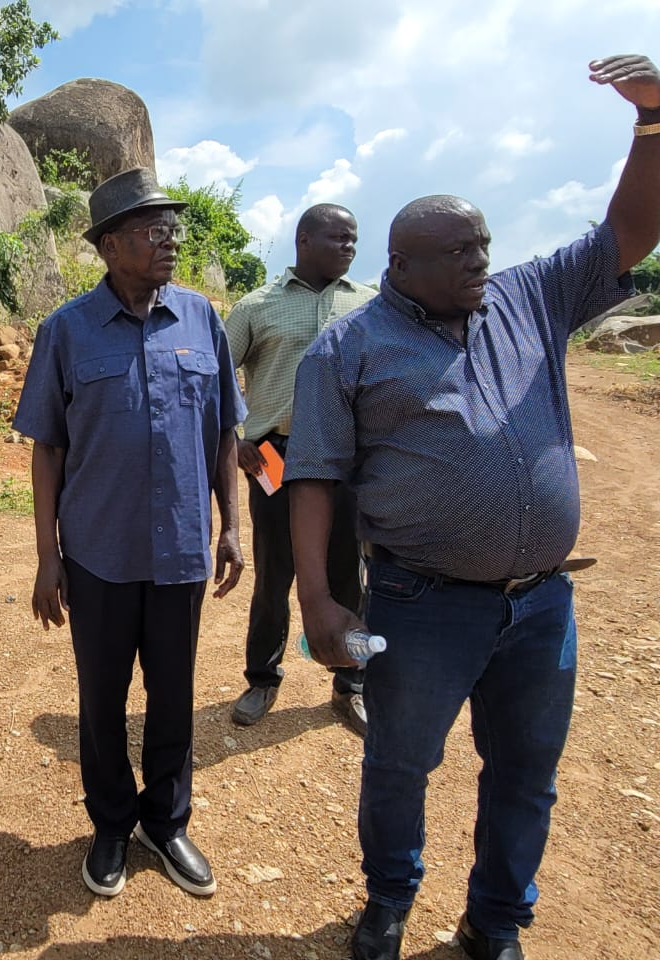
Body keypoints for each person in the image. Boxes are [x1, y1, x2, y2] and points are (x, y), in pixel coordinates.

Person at [284, 55, 660, 960]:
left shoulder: (530, 296)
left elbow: (631, 231)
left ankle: (494, 920)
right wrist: (318, 600)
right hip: (420, 604)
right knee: (400, 765)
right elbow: (313, 477)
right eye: (458, 251)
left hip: (541, 606)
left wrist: (653, 120)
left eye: (483, 243)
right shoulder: (347, 348)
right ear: (401, 265)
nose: (480, 260)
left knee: (526, 773)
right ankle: (388, 900)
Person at [14, 167, 247, 899]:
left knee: (173, 695)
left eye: (172, 228)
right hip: (98, 554)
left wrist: (233, 525)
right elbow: (48, 448)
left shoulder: (202, 319)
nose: (170, 240)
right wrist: (48, 557)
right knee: (102, 699)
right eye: (153, 230)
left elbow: (225, 431)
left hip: (180, 549)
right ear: (110, 246)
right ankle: (112, 824)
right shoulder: (66, 330)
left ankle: (165, 823)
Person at [224, 204, 376, 734]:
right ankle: (262, 679)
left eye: (353, 239)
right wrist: (237, 440)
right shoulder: (256, 307)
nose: (349, 248)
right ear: (304, 241)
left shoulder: (369, 305)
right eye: (339, 238)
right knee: (274, 575)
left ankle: (352, 683)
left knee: (349, 574)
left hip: (345, 457)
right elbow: (214, 379)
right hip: (274, 458)